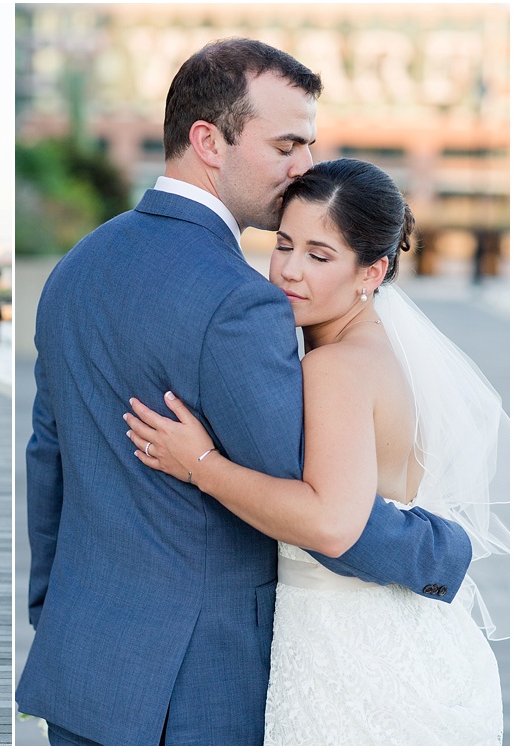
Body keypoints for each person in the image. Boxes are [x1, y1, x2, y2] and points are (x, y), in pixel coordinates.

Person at [16, 38, 474, 746]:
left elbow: (48, 459)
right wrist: (442, 549)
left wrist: (55, 610)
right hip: (193, 686)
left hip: (83, 666)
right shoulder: (238, 302)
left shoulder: (76, 268)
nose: (305, 167)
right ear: (208, 139)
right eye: (288, 143)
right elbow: (317, 506)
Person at [126, 158, 508, 744]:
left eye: (319, 255)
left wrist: (201, 465)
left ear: (371, 271)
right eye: (284, 244)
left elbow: (332, 523)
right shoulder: (385, 351)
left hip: (352, 660)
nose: (289, 272)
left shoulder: (334, 367)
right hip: (408, 639)